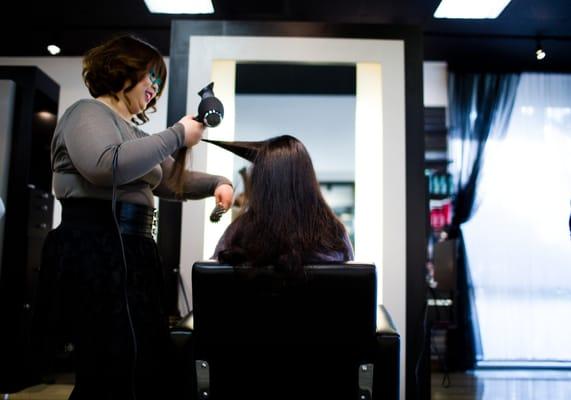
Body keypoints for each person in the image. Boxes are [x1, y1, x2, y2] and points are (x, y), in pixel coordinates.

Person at [36, 35, 233, 400]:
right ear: (121, 70)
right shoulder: (87, 112)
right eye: (150, 77)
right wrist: (176, 135)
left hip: (134, 252)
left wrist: (217, 183)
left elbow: (172, 179)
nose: (155, 89)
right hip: (95, 248)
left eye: (159, 81)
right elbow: (105, 165)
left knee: (140, 363)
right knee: (108, 366)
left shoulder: (136, 133)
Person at [212, 135, 353, 273]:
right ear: (308, 181)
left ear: (260, 183)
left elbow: (212, 283)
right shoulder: (335, 233)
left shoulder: (239, 231)